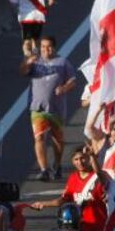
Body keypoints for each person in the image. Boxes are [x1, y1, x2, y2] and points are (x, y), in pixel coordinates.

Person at [20, 35, 77, 182]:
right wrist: (28, 62)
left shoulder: (63, 63)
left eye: (49, 47)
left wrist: (64, 88)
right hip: (37, 108)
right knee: (39, 138)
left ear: (54, 47)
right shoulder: (35, 61)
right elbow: (22, 72)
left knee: (57, 140)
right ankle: (44, 170)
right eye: (43, 47)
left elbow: (73, 80)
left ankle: (57, 165)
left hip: (56, 109)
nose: (46, 50)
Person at [32, 145, 108, 231]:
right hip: (78, 229)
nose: (79, 162)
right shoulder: (72, 178)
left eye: (82, 158)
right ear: (72, 161)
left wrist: (93, 156)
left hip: (98, 228)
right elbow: (64, 200)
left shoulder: (99, 177)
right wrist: (43, 204)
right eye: (76, 159)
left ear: (88, 159)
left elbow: (100, 174)